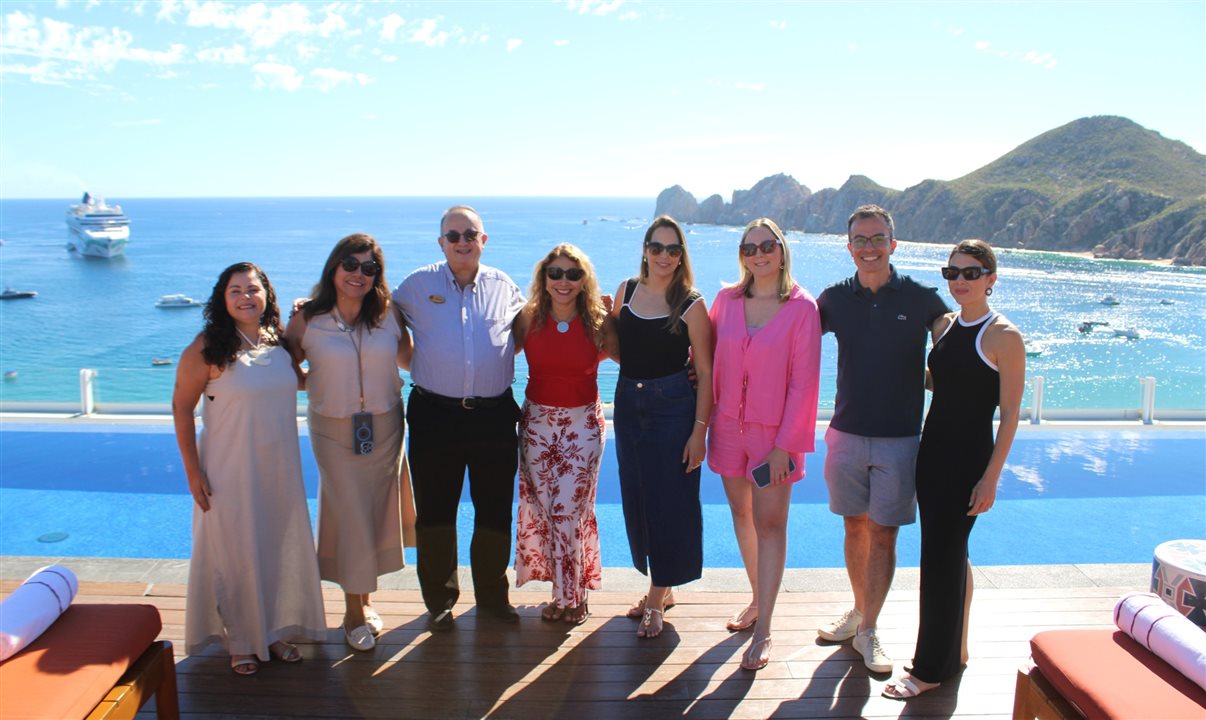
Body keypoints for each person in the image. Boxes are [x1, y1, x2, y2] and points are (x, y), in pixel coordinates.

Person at [883, 239, 1024, 699]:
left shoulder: (1004, 336)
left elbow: (1010, 414)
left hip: (967, 462)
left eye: (971, 272)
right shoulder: (943, 327)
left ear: (991, 278)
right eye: (953, 273)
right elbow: (941, 382)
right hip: (933, 454)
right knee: (950, 556)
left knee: (940, 561)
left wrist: (991, 476)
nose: (960, 281)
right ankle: (956, 651)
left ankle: (928, 670)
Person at [173, 262, 325, 676]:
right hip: (227, 468)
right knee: (234, 552)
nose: (245, 297)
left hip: (278, 466)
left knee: (274, 545)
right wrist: (192, 472)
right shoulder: (207, 348)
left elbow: (304, 381)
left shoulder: (276, 343)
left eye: (253, 289)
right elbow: (182, 409)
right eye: (236, 290)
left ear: (266, 296)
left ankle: (271, 631)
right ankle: (240, 640)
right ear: (223, 300)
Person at [815, 204, 949, 674]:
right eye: (861, 240)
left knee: (884, 535)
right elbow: (788, 344)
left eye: (878, 239)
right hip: (845, 434)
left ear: (893, 244)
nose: (869, 248)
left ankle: (870, 630)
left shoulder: (923, 299)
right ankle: (858, 614)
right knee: (853, 527)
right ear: (849, 246)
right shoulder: (832, 299)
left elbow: (959, 351)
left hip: (899, 440)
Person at [393, 205, 525, 631]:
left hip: (492, 415)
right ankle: (440, 601)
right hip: (434, 414)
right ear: (441, 243)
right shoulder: (416, 285)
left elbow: (524, 334)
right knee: (435, 512)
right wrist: (418, 364)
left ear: (484, 240)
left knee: (494, 510)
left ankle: (491, 597)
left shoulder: (504, 285)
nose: (462, 241)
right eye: (453, 235)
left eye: (471, 234)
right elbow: (381, 323)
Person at [284, 234, 408, 653]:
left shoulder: (390, 315)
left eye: (369, 268)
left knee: (371, 514)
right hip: (333, 430)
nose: (359, 274)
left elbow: (411, 359)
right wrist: (313, 383)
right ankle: (353, 614)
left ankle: (365, 602)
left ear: (378, 276)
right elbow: (283, 368)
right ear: (334, 267)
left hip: (386, 427)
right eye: (350, 265)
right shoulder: (307, 318)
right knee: (351, 514)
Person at [707, 218, 821, 670]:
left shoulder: (802, 307)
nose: (759, 253)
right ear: (742, 254)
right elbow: (703, 352)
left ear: (782, 249)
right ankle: (757, 599)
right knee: (742, 515)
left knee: (771, 525)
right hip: (728, 428)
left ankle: (766, 627)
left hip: (775, 438)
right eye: (750, 247)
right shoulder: (725, 301)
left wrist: (784, 446)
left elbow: (805, 382)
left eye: (768, 245)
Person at [610, 215, 713, 639]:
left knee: (670, 501)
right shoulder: (626, 292)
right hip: (628, 403)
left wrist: (699, 432)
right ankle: (661, 586)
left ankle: (657, 596)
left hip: (674, 408)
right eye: (657, 247)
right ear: (645, 250)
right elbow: (617, 349)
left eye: (674, 249)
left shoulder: (691, 303)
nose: (665, 256)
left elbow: (706, 374)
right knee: (637, 497)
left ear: (681, 254)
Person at [513, 244, 613, 626]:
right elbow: (496, 352)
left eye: (573, 274)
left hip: (583, 427)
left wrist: (689, 365)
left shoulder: (600, 320)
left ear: (584, 279)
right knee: (549, 513)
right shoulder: (528, 317)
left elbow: (634, 356)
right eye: (555, 273)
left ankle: (571, 598)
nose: (564, 281)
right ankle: (568, 591)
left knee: (569, 510)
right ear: (544, 278)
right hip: (537, 425)